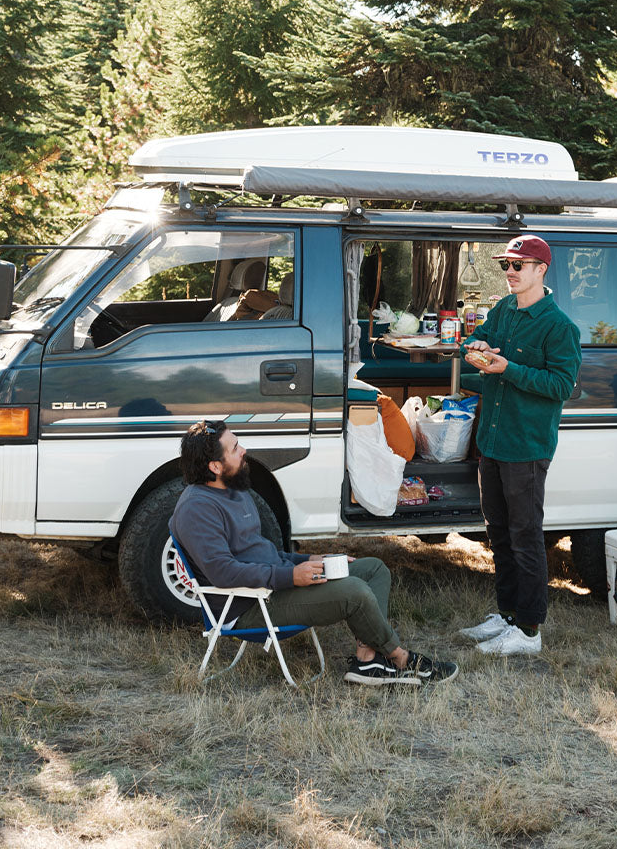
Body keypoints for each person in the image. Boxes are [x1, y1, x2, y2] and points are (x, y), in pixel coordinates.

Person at [168, 419, 457, 685]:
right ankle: (401, 658)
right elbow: (223, 572)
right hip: (249, 606)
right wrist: (291, 576)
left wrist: (310, 560)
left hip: (273, 586)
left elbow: (265, 554)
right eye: (234, 448)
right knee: (353, 591)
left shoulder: (235, 490)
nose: (244, 450)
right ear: (215, 467)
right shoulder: (197, 508)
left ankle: (367, 662)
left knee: (373, 570)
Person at [457, 234, 582, 656]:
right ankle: (507, 614)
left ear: (540, 270)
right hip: (491, 441)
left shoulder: (560, 327)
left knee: (526, 535)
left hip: (526, 445)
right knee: (498, 534)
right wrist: (473, 346)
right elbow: (477, 343)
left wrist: (508, 368)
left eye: (518, 265)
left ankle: (529, 630)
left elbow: (561, 385)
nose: (509, 272)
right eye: (506, 265)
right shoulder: (503, 308)